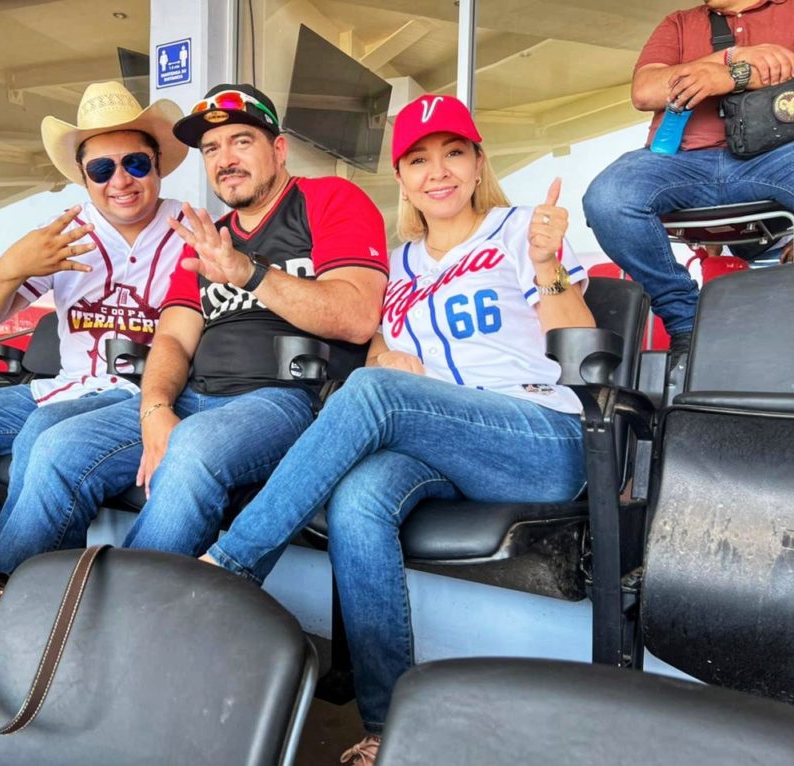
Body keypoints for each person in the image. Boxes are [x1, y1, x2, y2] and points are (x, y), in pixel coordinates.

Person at [199, 94, 595, 765]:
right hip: (447, 444)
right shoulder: (401, 263)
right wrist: (384, 359)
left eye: (454, 154)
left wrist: (548, 264)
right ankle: (385, 726)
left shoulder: (520, 229)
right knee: (360, 498)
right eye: (419, 160)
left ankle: (232, 565)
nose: (438, 172)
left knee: (373, 393)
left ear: (477, 164)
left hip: (539, 437)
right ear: (403, 178)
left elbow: (577, 349)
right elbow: (379, 353)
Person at [0, 83, 388, 573]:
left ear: (279, 149)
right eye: (212, 149)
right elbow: (174, 338)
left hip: (287, 397)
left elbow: (356, 317)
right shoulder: (208, 237)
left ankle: (128, 612)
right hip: (194, 395)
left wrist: (249, 273)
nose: (226, 159)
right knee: (56, 448)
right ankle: (10, 600)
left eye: (242, 141)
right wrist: (155, 408)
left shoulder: (328, 199)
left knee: (192, 449)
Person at [0, 81, 189, 540]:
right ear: (84, 176)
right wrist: (13, 266)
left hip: (138, 395)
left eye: (135, 163)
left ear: (158, 164)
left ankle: (10, 574)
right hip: (66, 388)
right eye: (102, 169)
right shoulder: (63, 233)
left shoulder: (192, 229)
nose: (120, 180)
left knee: (42, 433)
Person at [583, 0, 794, 357]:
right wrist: (729, 58)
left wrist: (732, 76)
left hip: (778, 156)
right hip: (682, 162)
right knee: (609, 198)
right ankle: (686, 323)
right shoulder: (679, 23)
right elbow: (645, 91)